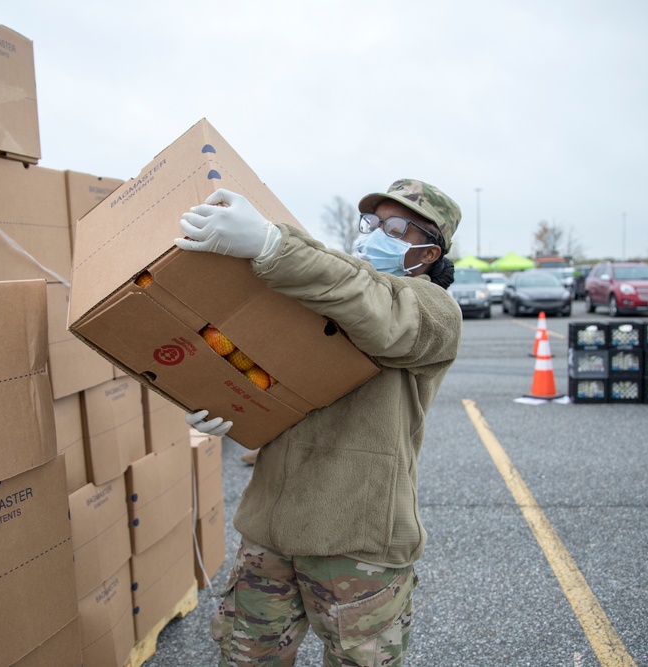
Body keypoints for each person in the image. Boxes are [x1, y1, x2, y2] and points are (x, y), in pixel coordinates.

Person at [175, 178, 463, 667]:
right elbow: (269, 373)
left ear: (430, 252)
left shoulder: (432, 311)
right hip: (269, 528)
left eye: (397, 228)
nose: (376, 234)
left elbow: (375, 313)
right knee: (244, 657)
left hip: (356, 542)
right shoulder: (323, 289)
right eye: (372, 223)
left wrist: (270, 243)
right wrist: (226, 403)